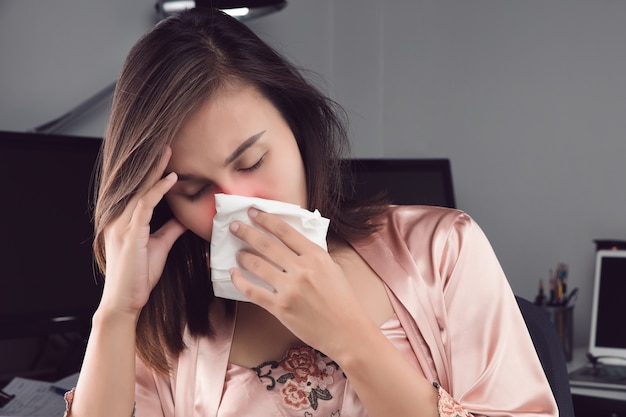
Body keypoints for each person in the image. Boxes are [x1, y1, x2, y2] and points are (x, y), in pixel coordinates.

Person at [65, 7, 558, 417]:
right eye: (195, 190)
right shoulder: (168, 318)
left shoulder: (443, 249)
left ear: (299, 134)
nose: (239, 204)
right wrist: (117, 312)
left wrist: (348, 337)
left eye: (254, 160)